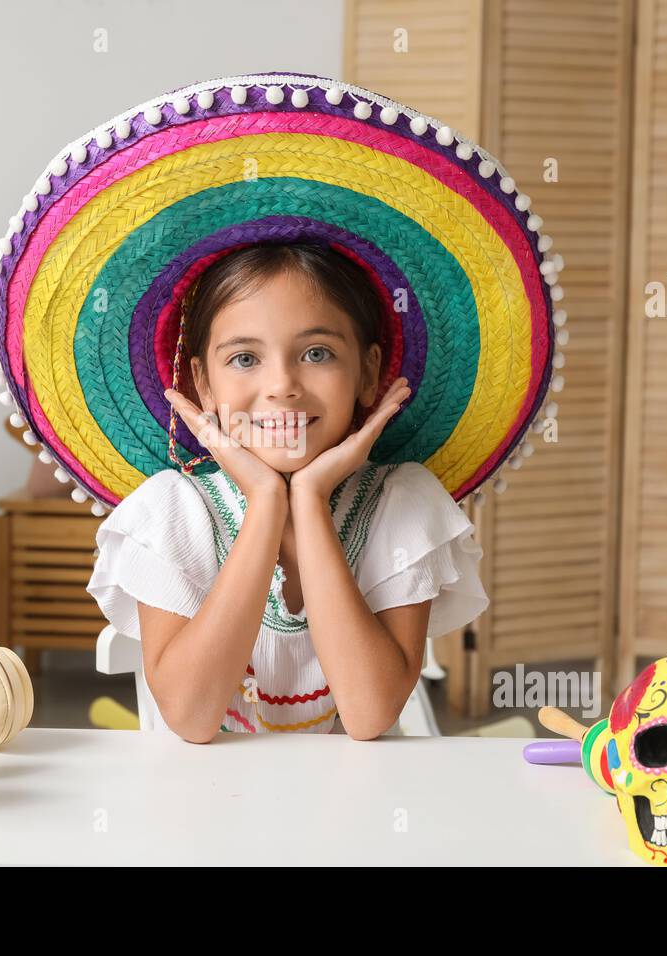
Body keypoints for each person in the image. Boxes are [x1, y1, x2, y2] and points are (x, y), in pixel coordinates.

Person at [86, 242, 488, 742]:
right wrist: (266, 503)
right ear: (203, 385)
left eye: (316, 353)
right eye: (245, 357)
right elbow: (191, 720)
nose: (282, 385)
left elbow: (369, 715)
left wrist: (310, 501)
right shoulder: (171, 510)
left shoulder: (401, 504)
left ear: (367, 372)